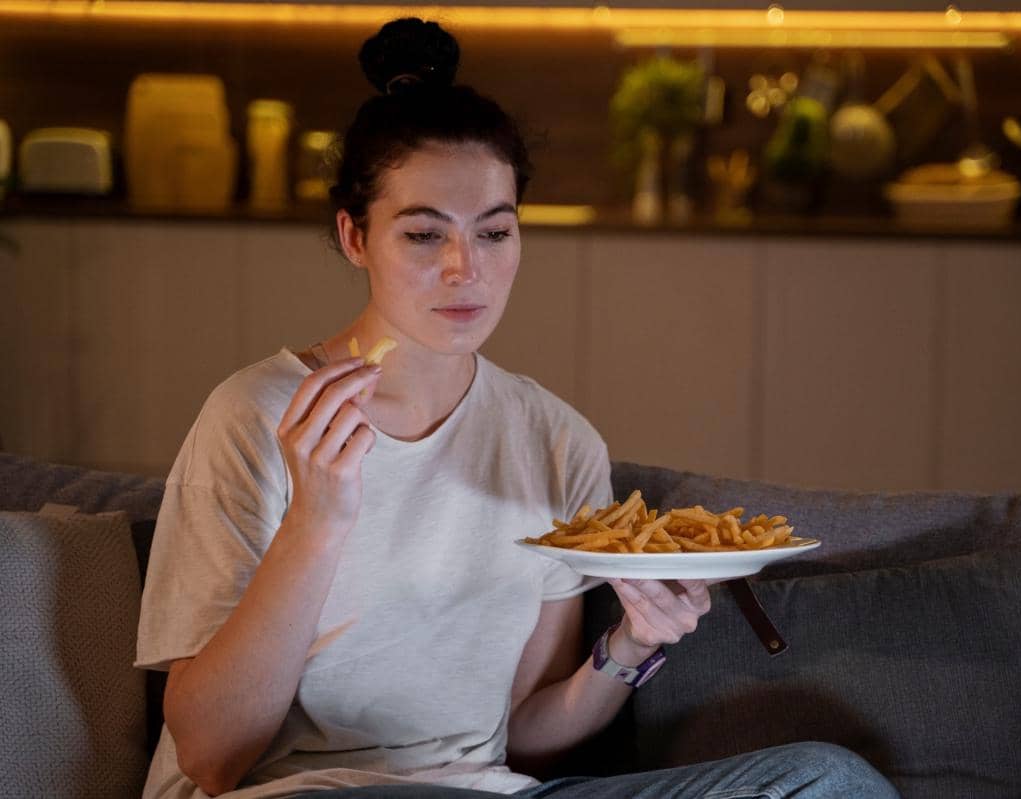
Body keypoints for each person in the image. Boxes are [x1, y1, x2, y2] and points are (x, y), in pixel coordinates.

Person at [135, 17, 899, 799]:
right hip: (300, 791)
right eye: (424, 234)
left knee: (828, 781)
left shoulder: (556, 439)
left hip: (489, 790)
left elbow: (527, 734)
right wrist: (315, 524)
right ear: (355, 237)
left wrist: (631, 645)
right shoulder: (256, 415)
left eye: (494, 232)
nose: (465, 268)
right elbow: (211, 755)